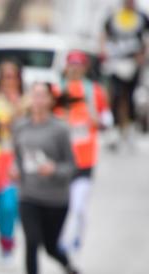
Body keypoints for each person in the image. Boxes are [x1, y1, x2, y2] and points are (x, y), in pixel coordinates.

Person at [12, 82, 79, 274]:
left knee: (50, 246)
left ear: (51, 100)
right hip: (29, 195)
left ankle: (69, 269)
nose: (38, 100)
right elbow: (17, 157)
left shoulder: (59, 130)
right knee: (31, 243)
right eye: (34, 95)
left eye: (42, 96)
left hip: (55, 198)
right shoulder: (20, 127)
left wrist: (54, 169)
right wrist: (15, 171)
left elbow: (72, 167)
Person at [56, 50, 112, 256]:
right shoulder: (56, 90)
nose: (75, 69)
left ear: (85, 67)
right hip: (62, 158)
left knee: (78, 205)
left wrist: (100, 122)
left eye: (79, 65)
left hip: (85, 159)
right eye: (72, 64)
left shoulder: (94, 91)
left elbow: (107, 118)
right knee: (62, 204)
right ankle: (60, 239)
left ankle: (76, 239)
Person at [100, 0, 149, 149]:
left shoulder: (141, 16)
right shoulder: (114, 15)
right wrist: (104, 52)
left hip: (133, 62)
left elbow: (147, 38)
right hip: (116, 62)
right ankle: (115, 129)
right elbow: (103, 34)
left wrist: (144, 56)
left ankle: (131, 130)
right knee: (116, 95)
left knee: (132, 96)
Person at [0, 59, 27, 261]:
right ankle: (6, 242)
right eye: (5, 76)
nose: (9, 80)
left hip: (22, 155)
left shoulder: (27, 100)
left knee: (15, 203)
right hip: (0, 156)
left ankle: (12, 237)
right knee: (3, 205)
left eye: (13, 76)